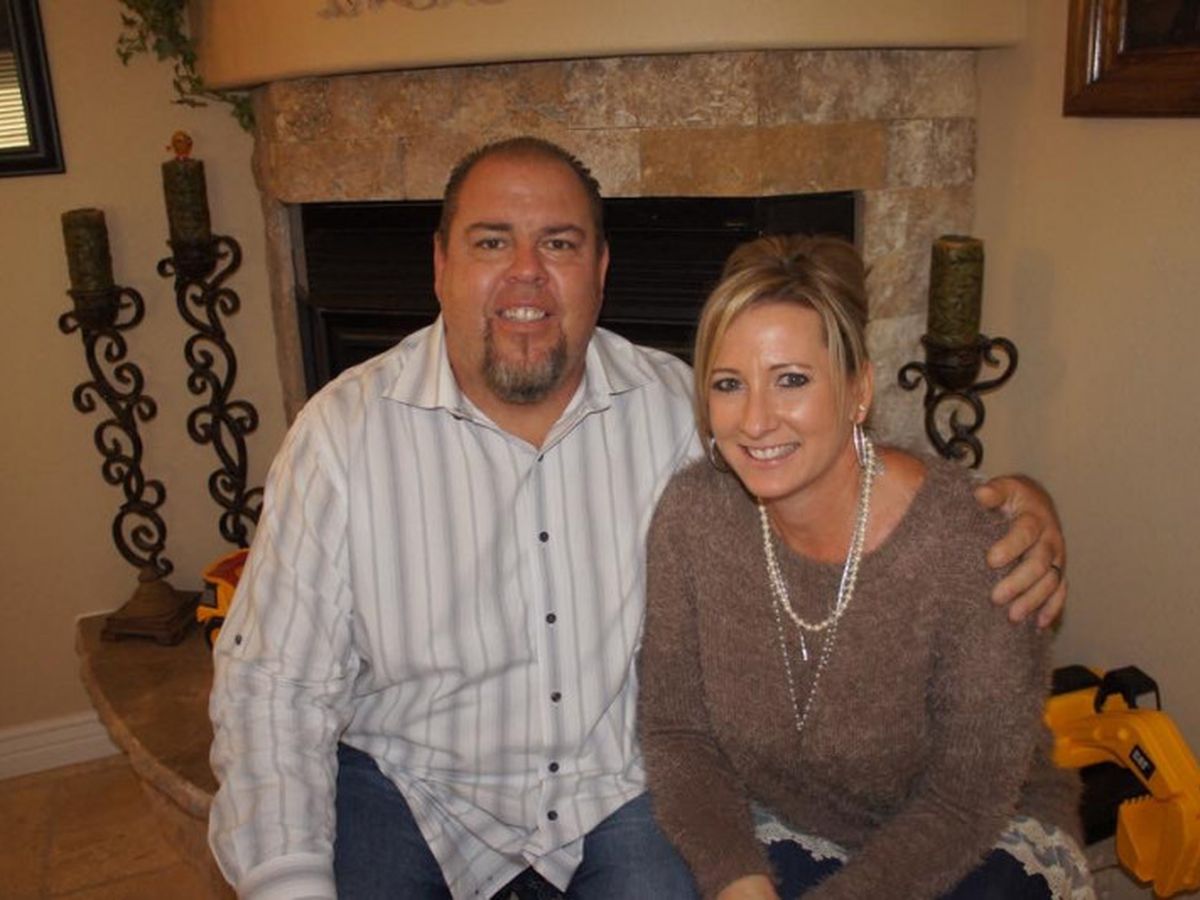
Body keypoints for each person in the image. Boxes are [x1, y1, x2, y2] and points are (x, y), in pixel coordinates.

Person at [208, 137, 1069, 900]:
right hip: (409, 781)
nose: (526, 273)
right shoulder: (342, 434)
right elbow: (271, 687)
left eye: (559, 243)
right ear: (439, 265)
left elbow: (834, 465)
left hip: (610, 790)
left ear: (601, 269)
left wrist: (1014, 502)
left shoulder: (678, 410)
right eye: (491, 242)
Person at [637, 234, 1090, 900]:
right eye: (729, 384)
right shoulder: (692, 517)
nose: (756, 420)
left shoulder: (971, 547)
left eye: (792, 380)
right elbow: (679, 733)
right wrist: (736, 879)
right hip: (791, 822)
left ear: (859, 391)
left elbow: (965, 800)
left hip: (978, 837)